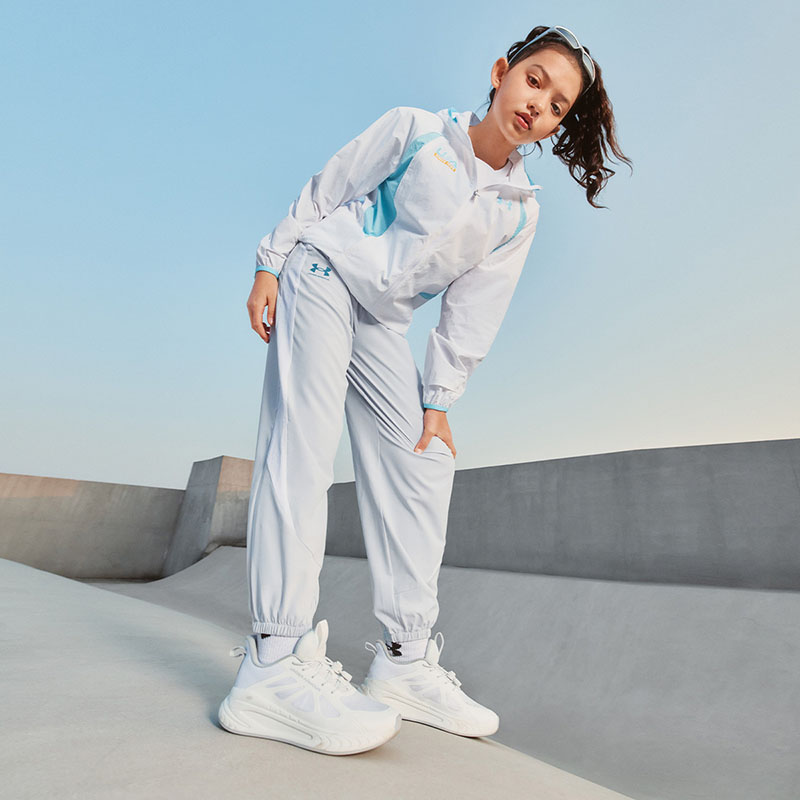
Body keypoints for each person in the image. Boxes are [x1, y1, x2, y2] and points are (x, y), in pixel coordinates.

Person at [218, 25, 631, 755]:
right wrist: (270, 262)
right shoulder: (417, 131)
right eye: (534, 81)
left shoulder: (517, 210)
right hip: (323, 274)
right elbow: (330, 187)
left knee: (425, 461)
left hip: (381, 321)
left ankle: (404, 662)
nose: (538, 105)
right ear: (501, 72)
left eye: (558, 106)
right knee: (304, 446)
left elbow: (475, 308)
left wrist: (438, 399)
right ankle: (270, 663)